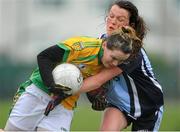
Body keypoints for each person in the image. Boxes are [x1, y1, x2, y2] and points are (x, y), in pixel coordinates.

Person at [4, 26, 142, 131]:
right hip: (38, 93)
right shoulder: (82, 46)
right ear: (105, 44)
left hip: (65, 105)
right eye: (113, 58)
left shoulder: (108, 65)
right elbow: (44, 57)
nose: (115, 64)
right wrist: (52, 86)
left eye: (120, 61)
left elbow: (82, 84)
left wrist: (95, 99)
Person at [78, 0, 164, 131]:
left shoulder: (132, 51)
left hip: (148, 108)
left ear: (130, 24)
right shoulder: (101, 43)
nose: (112, 22)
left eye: (120, 19)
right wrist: (93, 94)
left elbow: (97, 80)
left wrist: (63, 91)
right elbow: (92, 76)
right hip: (119, 105)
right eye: (111, 16)